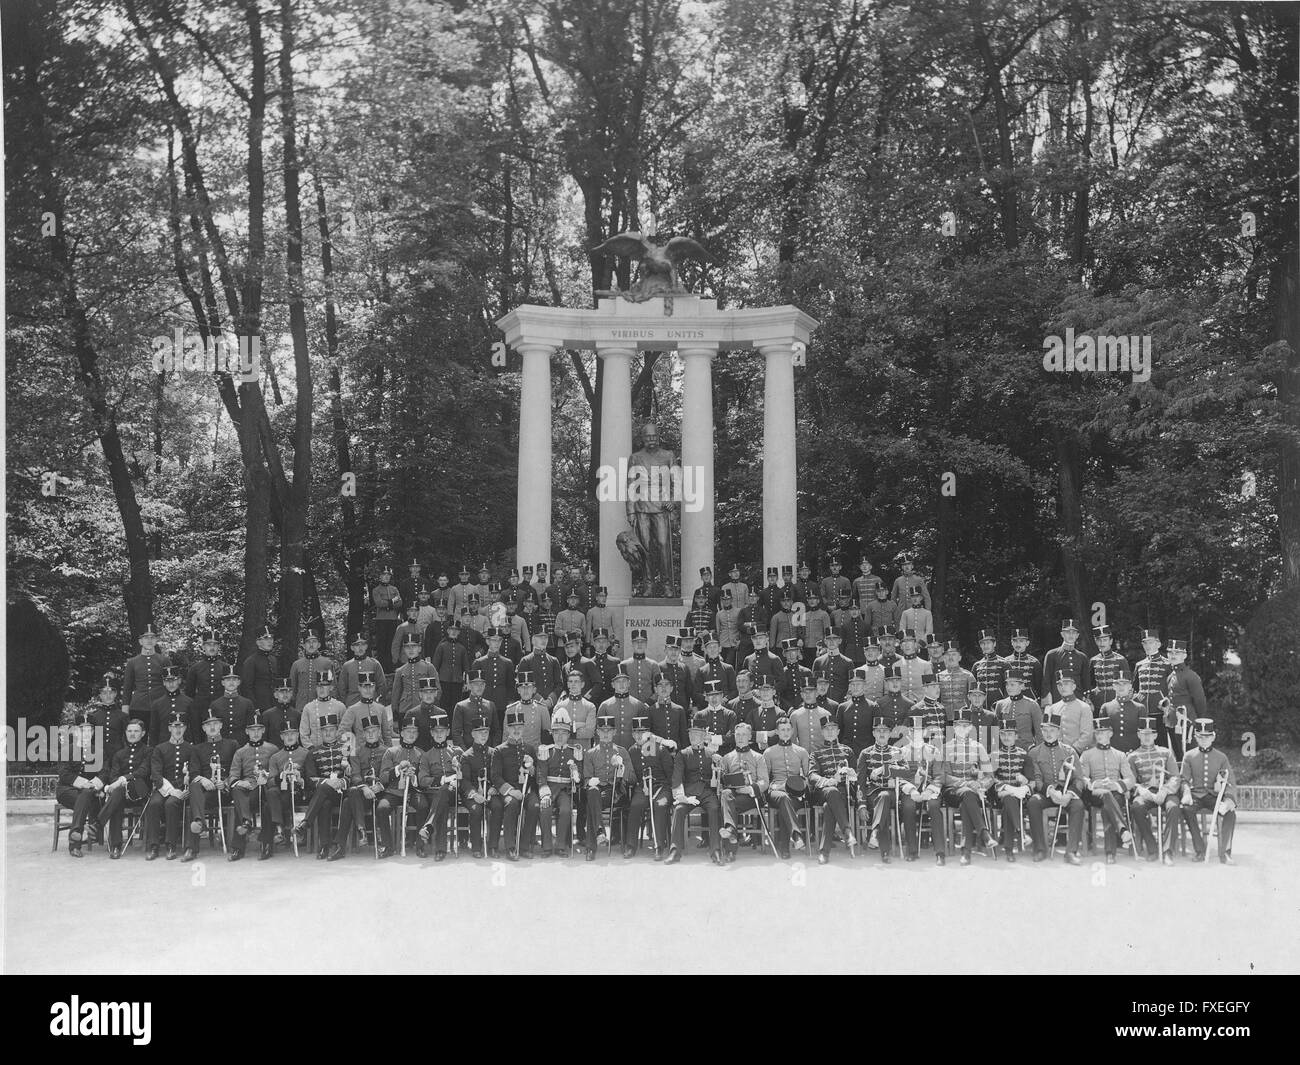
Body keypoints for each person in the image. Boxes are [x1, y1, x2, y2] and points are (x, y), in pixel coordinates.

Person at [1026, 710, 1085, 864]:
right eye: (1045, 730)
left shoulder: (1069, 751)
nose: (1048, 733)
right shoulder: (1034, 753)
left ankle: (1071, 851)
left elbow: (1079, 779)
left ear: (1058, 731)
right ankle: (1040, 849)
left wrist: (1068, 795)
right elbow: (1037, 779)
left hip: (1066, 794)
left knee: (1078, 805)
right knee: (1033, 802)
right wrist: (1051, 792)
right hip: (1047, 794)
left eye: (1052, 730)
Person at [940, 708, 997, 865]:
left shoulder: (978, 747)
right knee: (967, 793)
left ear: (971, 727)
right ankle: (984, 833)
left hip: (974, 793)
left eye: (965, 725)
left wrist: (979, 785)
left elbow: (990, 777)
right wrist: (965, 783)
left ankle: (966, 852)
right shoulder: (945, 748)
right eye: (958, 725)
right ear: (953, 727)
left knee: (968, 799)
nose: (961, 729)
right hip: (952, 791)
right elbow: (943, 776)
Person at [665, 710, 722, 864]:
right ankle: (675, 851)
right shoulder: (683, 754)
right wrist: (681, 797)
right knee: (678, 810)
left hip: (708, 793)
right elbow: (676, 778)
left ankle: (716, 850)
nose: (692, 737)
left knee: (715, 809)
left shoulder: (712, 754)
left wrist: (719, 764)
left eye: (696, 734)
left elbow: (719, 776)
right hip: (689, 793)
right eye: (690, 734)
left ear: (704, 736)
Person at [1179, 717, 1237, 864]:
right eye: (1200, 736)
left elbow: (1230, 781)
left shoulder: (1221, 757)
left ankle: (1225, 853)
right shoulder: (1189, 756)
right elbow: (1184, 779)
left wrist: (1229, 799)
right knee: (1186, 809)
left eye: (1207, 736)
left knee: (1230, 813)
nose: (1204, 740)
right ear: (1195, 737)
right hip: (1196, 795)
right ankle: (1199, 850)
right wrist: (1186, 792)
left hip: (1214, 796)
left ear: (1213, 737)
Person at [1079, 716, 1136, 863]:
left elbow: (1130, 779)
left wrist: (1116, 785)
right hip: (1095, 794)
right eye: (1097, 733)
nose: (1099, 736)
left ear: (1110, 733)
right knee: (1105, 796)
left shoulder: (1120, 755)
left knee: (1108, 806)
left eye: (1102, 732)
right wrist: (1094, 784)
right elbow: (1082, 778)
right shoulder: (1087, 754)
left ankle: (1110, 853)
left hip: (1115, 794)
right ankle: (1123, 830)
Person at [184, 713, 238, 862]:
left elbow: (236, 770)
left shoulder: (232, 744)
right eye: (208, 725)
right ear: (203, 728)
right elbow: (194, 772)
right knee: (194, 786)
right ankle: (198, 825)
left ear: (221, 726)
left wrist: (226, 782)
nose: (212, 727)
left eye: (215, 724)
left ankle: (196, 831)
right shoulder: (197, 748)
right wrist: (203, 780)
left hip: (224, 792)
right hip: (205, 791)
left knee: (195, 803)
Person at [96, 718, 152, 859]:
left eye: (136, 731)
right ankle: (116, 846)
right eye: (130, 731)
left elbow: (143, 771)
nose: (132, 734)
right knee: (117, 799)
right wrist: (118, 783)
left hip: (141, 792)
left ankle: (98, 823)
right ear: (126, 733)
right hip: (121, 794)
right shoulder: (119, 754)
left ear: (143, 733)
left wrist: (122, 780)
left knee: (117, 791)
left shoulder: (148, 751)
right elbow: (113, 776)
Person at [807, 714, 859, 864]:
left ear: (838, 731)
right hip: (823, 791)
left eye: (833, 728)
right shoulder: (816, 753)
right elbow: (812, 775)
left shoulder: (847, 751)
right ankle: (847, 831)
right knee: (831, 792)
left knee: (829, 806)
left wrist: (850, 774)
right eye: (826, 729)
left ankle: (824, 852)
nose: (830, 732)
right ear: (822, 732)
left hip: (845, 791)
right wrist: (827, 781)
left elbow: (857, 774)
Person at [1127, 716, 1180, 865]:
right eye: (1143, 734)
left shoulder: (1166, 753)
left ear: (1156, 735)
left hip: (1166, 792)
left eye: (1150, 734)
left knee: (1174, 807)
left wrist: (1164, 791)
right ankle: (1152, 847)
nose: (1147, 737)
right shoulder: (1132, 756)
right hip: (1146, 792)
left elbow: (1175, 777)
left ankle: (1168, 850)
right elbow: (1131, 781)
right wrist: (1143, 791)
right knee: (1137, 807)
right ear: (1138, 735)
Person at [226, 711, 278, 861]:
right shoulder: (240, 752)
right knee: (238, 793)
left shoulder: (272, 749)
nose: (255, 733)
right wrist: (239, 781)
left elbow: (276, 771)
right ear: (246, 731)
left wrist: (266, 777)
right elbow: (233, 775)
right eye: (252, 730)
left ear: (263, 730)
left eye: (258, 730)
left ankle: (266, 844)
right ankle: (238, 847)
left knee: (255, 806)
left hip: (265, 788)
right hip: (248, 788)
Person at [297, 711, 349, 858]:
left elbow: (354, 773)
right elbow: (310, 778)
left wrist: (342, 782)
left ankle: (306, 822)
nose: (328, 733)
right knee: (324, 803)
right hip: (324, 793)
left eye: (331, 730)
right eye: (325, 730)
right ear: (321, 732)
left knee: (323, 794)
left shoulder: (347, 749)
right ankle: (324, 846)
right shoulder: (313, 752)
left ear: (337, 731)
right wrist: (328, 782)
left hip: (342, 792)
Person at [715, 720, 767, 862]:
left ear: (750, 737)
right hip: (733, 796)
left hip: (752, 798)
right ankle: (731, 834)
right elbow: (723, 781)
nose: (740, 737)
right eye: (737, 734)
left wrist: (749, 789)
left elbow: (764, 782)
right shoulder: (727, 757)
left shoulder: (758, 757)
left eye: (744, 734)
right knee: (726, 795)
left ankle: (731, 843)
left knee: (727, 806)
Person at [143, 710, 192, 861]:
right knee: (154, 803)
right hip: (163, 787)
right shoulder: (160, 748)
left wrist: (184, 787)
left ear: (185, 728)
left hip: (182, 789)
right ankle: (153, 846)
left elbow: (194, 771)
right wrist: (170, 790)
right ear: (169, 728)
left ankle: (171, 845)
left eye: (181, 726)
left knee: (171, 804)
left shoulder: (191, 748)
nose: (178, 729)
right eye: (174, 726)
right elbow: (156, 774)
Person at [490, 707, 538, 860]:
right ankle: (511, 847)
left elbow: (535, 775)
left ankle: (524, 846)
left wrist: (532, 769)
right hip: (508, 791)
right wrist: (511, 791)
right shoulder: (499, 750)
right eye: (513, 727)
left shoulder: (529, 748)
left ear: (524, 728)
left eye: (519, 727)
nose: (516, 730)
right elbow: (496, 777)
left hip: (526, 789)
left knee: (534, 806)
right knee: (512, 804)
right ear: (507, 728)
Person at [57, 711, 106, 858]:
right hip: (67, 790)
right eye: (82, 729)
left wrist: (94, 784)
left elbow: (105, 772)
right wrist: (86, 784)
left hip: (89, 792)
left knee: (85, 796)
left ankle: (75, 837)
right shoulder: (66, 750)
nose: (86, 733)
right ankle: (78, 835)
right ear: (76, 731)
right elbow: (64, 774)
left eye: (89, 729)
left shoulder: (98, 751)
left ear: (93, 732)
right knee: (84, 796)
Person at [416, 711, 463, 860]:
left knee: (443, 793)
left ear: (448, 732)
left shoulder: (457, 751)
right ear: (431, 733)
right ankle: (440, 850)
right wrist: (441, 779)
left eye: (442, 731)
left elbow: (466, 775)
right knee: (441, 801)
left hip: (453, 791)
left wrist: (458, 771)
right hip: (434, 793)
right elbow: (422, 779)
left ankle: (429, 827)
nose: (439, 734)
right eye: (436, 731)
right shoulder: (427, 755)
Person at [761, 715, 810, 858]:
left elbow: (807, 776)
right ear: (776, 732)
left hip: (795, 792)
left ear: (793, 730)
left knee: (785, 802)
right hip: (775, 791)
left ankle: (785, 849)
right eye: (782, 730)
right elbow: (765, 778)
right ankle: (795, 836)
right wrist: (777, 787)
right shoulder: (769, 752)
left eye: (788, 729)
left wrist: (799, 785)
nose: (786, 732)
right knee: (783, 798)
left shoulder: (801, 751)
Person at [379, 716, 427, 858]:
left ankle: (420, 846)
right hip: (394, 792)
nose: (411, 734)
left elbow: (423, 779)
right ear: (401, 733)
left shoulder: (421, 754)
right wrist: (398, 769)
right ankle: (388, 846)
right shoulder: (391, 752)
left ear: (418, 734)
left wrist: (413, 776)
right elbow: (383, 777)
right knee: (382, 808)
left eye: (414, 731)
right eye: (408, 731)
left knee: (423, 806)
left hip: (412, 792)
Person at [988, 716, 1034, 862]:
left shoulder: (1024, 754)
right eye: (1003, 734)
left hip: (1020, 796)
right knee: (1008, 798)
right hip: (1000, 795)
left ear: (1016, 736)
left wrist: (1024, 781)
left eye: (1009, 734)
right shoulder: (994, 755)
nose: (1006, 737)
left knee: (1010, 800)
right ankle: (1021, 833)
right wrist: (1004, 786)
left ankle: (1009, 849)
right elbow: (990, 778)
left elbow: (1031, 781)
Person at [536, 708, 580, 858]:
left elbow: (578, 776)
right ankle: (547, 846)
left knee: (566, 811)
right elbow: (541, 775)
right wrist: (545, 794)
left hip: (565, 790)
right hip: (549, 788)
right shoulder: (545, 751)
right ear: (552, 734)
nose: (559, 737)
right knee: (545, 809)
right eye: (556, 733)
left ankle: (561, 845)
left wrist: (575, 773)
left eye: (563, 733)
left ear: (568, 735)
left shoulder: (575, 752)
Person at [853, 717, 899, 861]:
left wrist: (884, 769)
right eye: (878, 731)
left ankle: (875, 833)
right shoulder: (865, 753)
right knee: (882, 800)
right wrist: (861, 804)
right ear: (873, 733)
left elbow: (906, 772)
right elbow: (860, 782)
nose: (881, 734)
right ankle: (884, 850)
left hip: (893, 793)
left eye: (885, 731)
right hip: (872, 794)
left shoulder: (897, 751)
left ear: (890, 733)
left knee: (885, 796)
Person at [267, 716, 310, 855]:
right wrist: (282, 776)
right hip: (283, 791)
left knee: (272, 802)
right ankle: (280, 827)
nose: (290, 736)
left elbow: (310, 776)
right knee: (272, 792)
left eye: (292, 733)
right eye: (286, 734)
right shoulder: (276, 757)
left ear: (297, 735)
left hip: (300, 793)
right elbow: (270, 781)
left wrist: (299, 777)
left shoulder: (305, 753)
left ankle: (282, 830)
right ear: (281, 737)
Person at [459, 714, 495, 858]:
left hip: (491, 791)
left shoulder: (493, 752)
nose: (483, 735)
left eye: (485, 732)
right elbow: (465, 781)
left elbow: (497, 774)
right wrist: (475, 795)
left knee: (497, 807)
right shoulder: (466, 756)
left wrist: (495, 788)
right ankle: (476, 846)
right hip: (472, 793)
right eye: (480, 732)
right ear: (473, 734)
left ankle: (492, 845)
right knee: (475, 810)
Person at [1164, 639, 1207, 760]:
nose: (1173, 655)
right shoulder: (1170, 676)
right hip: (1172, 722)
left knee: (1189, 756)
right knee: (1176, 756)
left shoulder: (1191, 676)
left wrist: (1198, 721)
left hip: (1187, 723)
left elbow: (1200, 701)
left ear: (1185, 655)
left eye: (1177, 653)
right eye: (1170, 652)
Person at [122, 624, 172, 720]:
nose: (149, 640)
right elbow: (127, 687)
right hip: (139, 706)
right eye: (146, 638)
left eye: (152, 637)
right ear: (140, 641)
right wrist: (125, 707)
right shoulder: (132, 662)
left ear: (156, 640)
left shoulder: (164, 661)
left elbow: (170, 684)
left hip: (160, 705)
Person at [340, 670, 396, 747]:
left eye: (371, 686)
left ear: (375, 687)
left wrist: (389, 753)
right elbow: (342, 732)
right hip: (361, 754)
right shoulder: (352, 710)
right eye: (364, 686)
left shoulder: (381, 709)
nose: (368, 690)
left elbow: (386, 734)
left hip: (379, 752)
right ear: (359, 688)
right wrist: (352, 750)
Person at [388, 634, 437, 720]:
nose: (411, 649)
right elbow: (395, 695)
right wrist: (395, 716)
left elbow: (437, 690)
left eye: (414, 646)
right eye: (407, 647)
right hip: (405, 710)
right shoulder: (400, 671)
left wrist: (433, 709)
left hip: (424, 709)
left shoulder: (429, 667)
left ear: (419, 648)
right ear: (404, 649)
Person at [1042, 620, 1091, 706]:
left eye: (1074, 632)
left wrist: (1087, 699)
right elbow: (1046, 681)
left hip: (1077, 699)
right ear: (1062, 634)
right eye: (1068, 632)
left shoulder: (1082, 657)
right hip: (1057, 700)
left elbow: (1086, 682)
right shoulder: (1052, 655)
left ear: (1077, 635)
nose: (1071, 635)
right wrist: (1047, 704)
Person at [184, 629, 229, 722]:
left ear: (218, 647)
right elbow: (189, 692)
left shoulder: (225, 667)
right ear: (203, 646)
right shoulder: (195, 668)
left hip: (221, 708)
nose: (212, 647)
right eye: (209, 644)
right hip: (200, 709)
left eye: (215, 644)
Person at [836, 666, 880, 757]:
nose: (855, 687)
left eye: (858, 684)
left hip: (867, 752)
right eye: (852, 684)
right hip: (846, 752)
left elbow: (877, 732)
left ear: (864, 685)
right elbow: (839, 732)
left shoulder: (873, 707)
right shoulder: (842, 707)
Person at [993, 669, 1041, 750]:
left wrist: (1038, 752)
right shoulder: (1000, 704)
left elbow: (1039, 732)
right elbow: (996, 731)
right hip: (1006, 750)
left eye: (1012, 685)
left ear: (1022, 686)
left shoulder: (1032, 705)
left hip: (1026, 749)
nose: (1008, 687)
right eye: (1007, 684)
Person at [1087, 624, 1132, 711]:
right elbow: (1090, 683)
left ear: (1110, 641)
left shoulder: (1120, 660)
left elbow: (1128, 683)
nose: (1102, 643)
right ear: (1096, 642)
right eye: (1099, 640)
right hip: (1097, 702)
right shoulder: (1093, 660)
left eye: (1105, 640)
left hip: (1116, 702)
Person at [1047, 671, 1094, 753]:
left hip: (1078, 753)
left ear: (1074, 686)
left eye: (1066, 684)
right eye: (1060, 685)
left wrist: (1073, 750)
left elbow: (1087, 735)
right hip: (1057, 753)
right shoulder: (1053, 708)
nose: (1062, 687)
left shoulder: (1084, 707)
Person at [300, 669, 347, 749]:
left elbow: (345, 732)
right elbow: (303, 733)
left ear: (331, 687)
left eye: (324, 685)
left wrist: (339, 748)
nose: (321, 688)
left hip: (335, 750)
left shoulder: (340, 707)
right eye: (318, 685)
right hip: (314, 749)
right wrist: (311, 749)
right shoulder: (308, 707)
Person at [452, 669, 500, 749]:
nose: (479, 687)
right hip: (468, 750)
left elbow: (496, 731)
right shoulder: (461, 706)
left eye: (482, 684)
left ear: (485, 686)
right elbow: (456, 733)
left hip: (488, 751)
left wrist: (494, 750)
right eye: (476, 684)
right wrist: (464, 752)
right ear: (470, 685)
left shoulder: (491, 705)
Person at [431, 617, 470, 711]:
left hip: (457, 681)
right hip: (443, 681)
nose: (453, 632)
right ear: (448, 630)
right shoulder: (441, 646)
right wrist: (435, 683)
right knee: (444, 704)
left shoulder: (462, 648)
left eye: (456, 630)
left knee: (455, 705)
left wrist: (466, 682)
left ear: (459, 632)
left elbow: (466, 667)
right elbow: (435, 666)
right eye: (451, 629)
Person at [339, 632, 388, 706]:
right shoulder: (347, 666)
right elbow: (342, 688)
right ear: (352, 648)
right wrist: (345, 703)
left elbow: (381, 685)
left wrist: (379, 702)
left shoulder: (374, 664)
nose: (360, 647)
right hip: (352, 703)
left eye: (363, 644)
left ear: (366, 646)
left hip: (372, 703)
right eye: (357, 645)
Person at [1101, 673, 1145, 753]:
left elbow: (1144, 734)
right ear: (1113, 686)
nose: (1121, 686)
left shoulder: (1139, 708)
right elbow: (1102, 734)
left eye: (1124, 683)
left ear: (1130, 686)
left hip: (1134, 751)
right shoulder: (1106, 707)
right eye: (1117, 684)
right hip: (1112, 752)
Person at [149, 665, 192, 746]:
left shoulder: (189, 702)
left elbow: (193, 727)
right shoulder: (157, 704)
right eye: (167, 681)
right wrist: (153, 748)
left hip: (185, 745)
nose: (170, 684)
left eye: (173, 680)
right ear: (164, 683)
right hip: (163, 745)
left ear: (179, 680)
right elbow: (154, 729)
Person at [370, 566, 403, 672]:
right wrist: (392, 601)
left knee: (392, 643)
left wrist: (388, 604)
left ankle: (391, 666)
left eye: (388, 575)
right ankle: (382, 668)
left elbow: (400, 603)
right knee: (381, 643)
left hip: (393, 619)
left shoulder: (394, 589)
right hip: (381, 619)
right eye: (384, 576)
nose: (386, 577)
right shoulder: (376, 590)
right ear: (380, 577)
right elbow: (379, 603)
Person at [240, 625, 279, 713]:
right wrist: (254, 706)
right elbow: (246, 687)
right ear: (258, 642)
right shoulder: (251, 661)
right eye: (266, 639)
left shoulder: (273, 659)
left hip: (274, 704)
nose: (270, 641)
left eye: (271, 638)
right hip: (259, 706)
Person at [694, 631, 737, 707]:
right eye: (709, 647)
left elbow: (734, 690)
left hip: (725, 707)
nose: (712, 650)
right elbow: (697, 693)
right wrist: (707, 699)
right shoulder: (701, 671)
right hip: (707, 708)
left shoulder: (728, 668)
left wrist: (725, 699)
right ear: (706, 650)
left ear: (720, 649)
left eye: (715, 647)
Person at [1002, 627, 1043, 702]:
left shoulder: (1034, 662)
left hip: (1030, 700)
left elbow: (1039, 687)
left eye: (1021, 641)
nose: (1018, 644)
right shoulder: (1005, 662)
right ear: (1011, 642)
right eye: (1015, 641)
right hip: (1010, 701)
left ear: (1027, 643)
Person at [971, 629, 1008, 704]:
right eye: (983, 643)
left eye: (988, 643)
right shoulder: (976, 665)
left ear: (994, 644)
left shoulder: (1004, 664)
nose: (985, 646)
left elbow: (1009, 688)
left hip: (999, 705)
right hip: (981, 707)